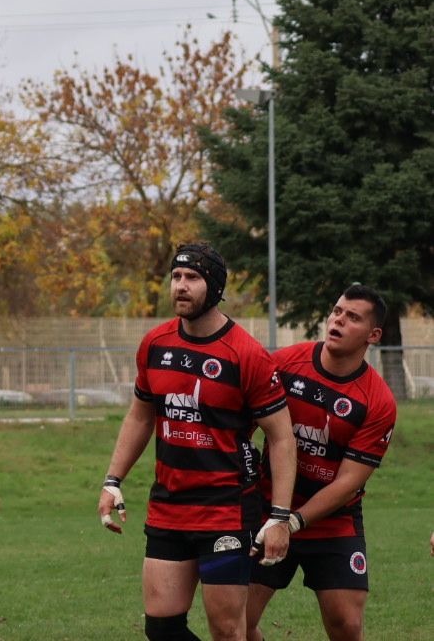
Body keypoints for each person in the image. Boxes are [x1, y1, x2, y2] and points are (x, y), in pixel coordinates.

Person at [98, 242, 298, 641]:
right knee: (161, 627)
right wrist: (112, 480)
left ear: (215, 286)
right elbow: (140, 415)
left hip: (226, 508)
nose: (181, 287)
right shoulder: (156, 344)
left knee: (227, 630)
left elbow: (282, 439)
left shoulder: (247, 355)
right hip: (169, 506)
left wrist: (278, 517)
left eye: (192, 278)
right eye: (176, 277)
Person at [246, 284, 396, 641]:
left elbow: (349, 483)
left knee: (346, 625)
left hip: (333, 521)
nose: (338, 321)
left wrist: (292, 523)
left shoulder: (378, 401)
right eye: (337, 311)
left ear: (373, 335)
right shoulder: (284, 365)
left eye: (353, 317)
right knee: (234, 622)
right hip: (268, 510)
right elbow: (243, 426)